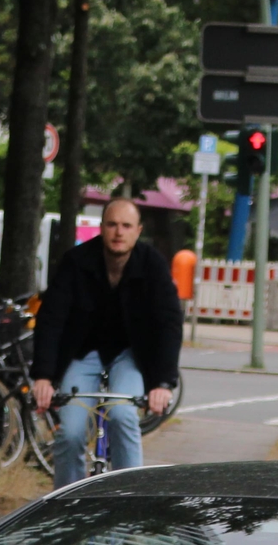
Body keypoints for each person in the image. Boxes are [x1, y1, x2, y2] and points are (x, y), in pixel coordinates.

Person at [28, 197, 181, 488]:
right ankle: (68, 505)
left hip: (130, 354)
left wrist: (163, 383)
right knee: (70, 432)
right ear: (101, 228)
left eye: (126, 226)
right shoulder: (76, 262)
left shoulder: (152, 265)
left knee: (123, 415)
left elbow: (168, 324)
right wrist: (44, 376)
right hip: (82, 352)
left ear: (138, 230)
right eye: (111, 224)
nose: (118, 232)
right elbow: (51, 319)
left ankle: (128, 500)